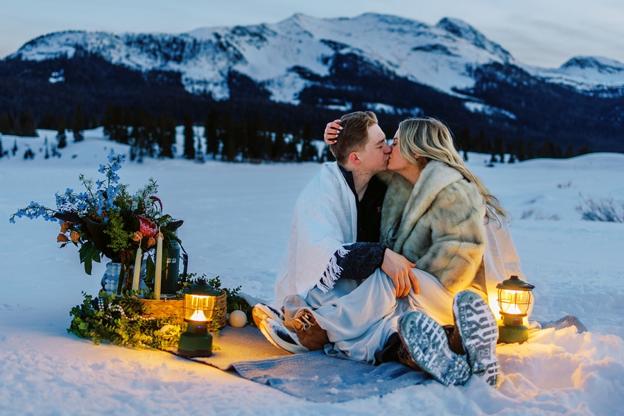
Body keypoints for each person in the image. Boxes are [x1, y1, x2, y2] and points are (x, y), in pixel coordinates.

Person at [255, 114, 501, 386]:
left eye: (393, 143)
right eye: (384, 143)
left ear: (415, 152)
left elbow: (456, 265)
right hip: (420, 296)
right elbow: (357, 155)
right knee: (379, 326)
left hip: (449, 296)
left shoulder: (448, 194)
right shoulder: (394, 185)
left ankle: (320, 327)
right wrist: (339, 139)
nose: (388, 148)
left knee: (384, 281)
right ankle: (449, 349)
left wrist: (400, 266)